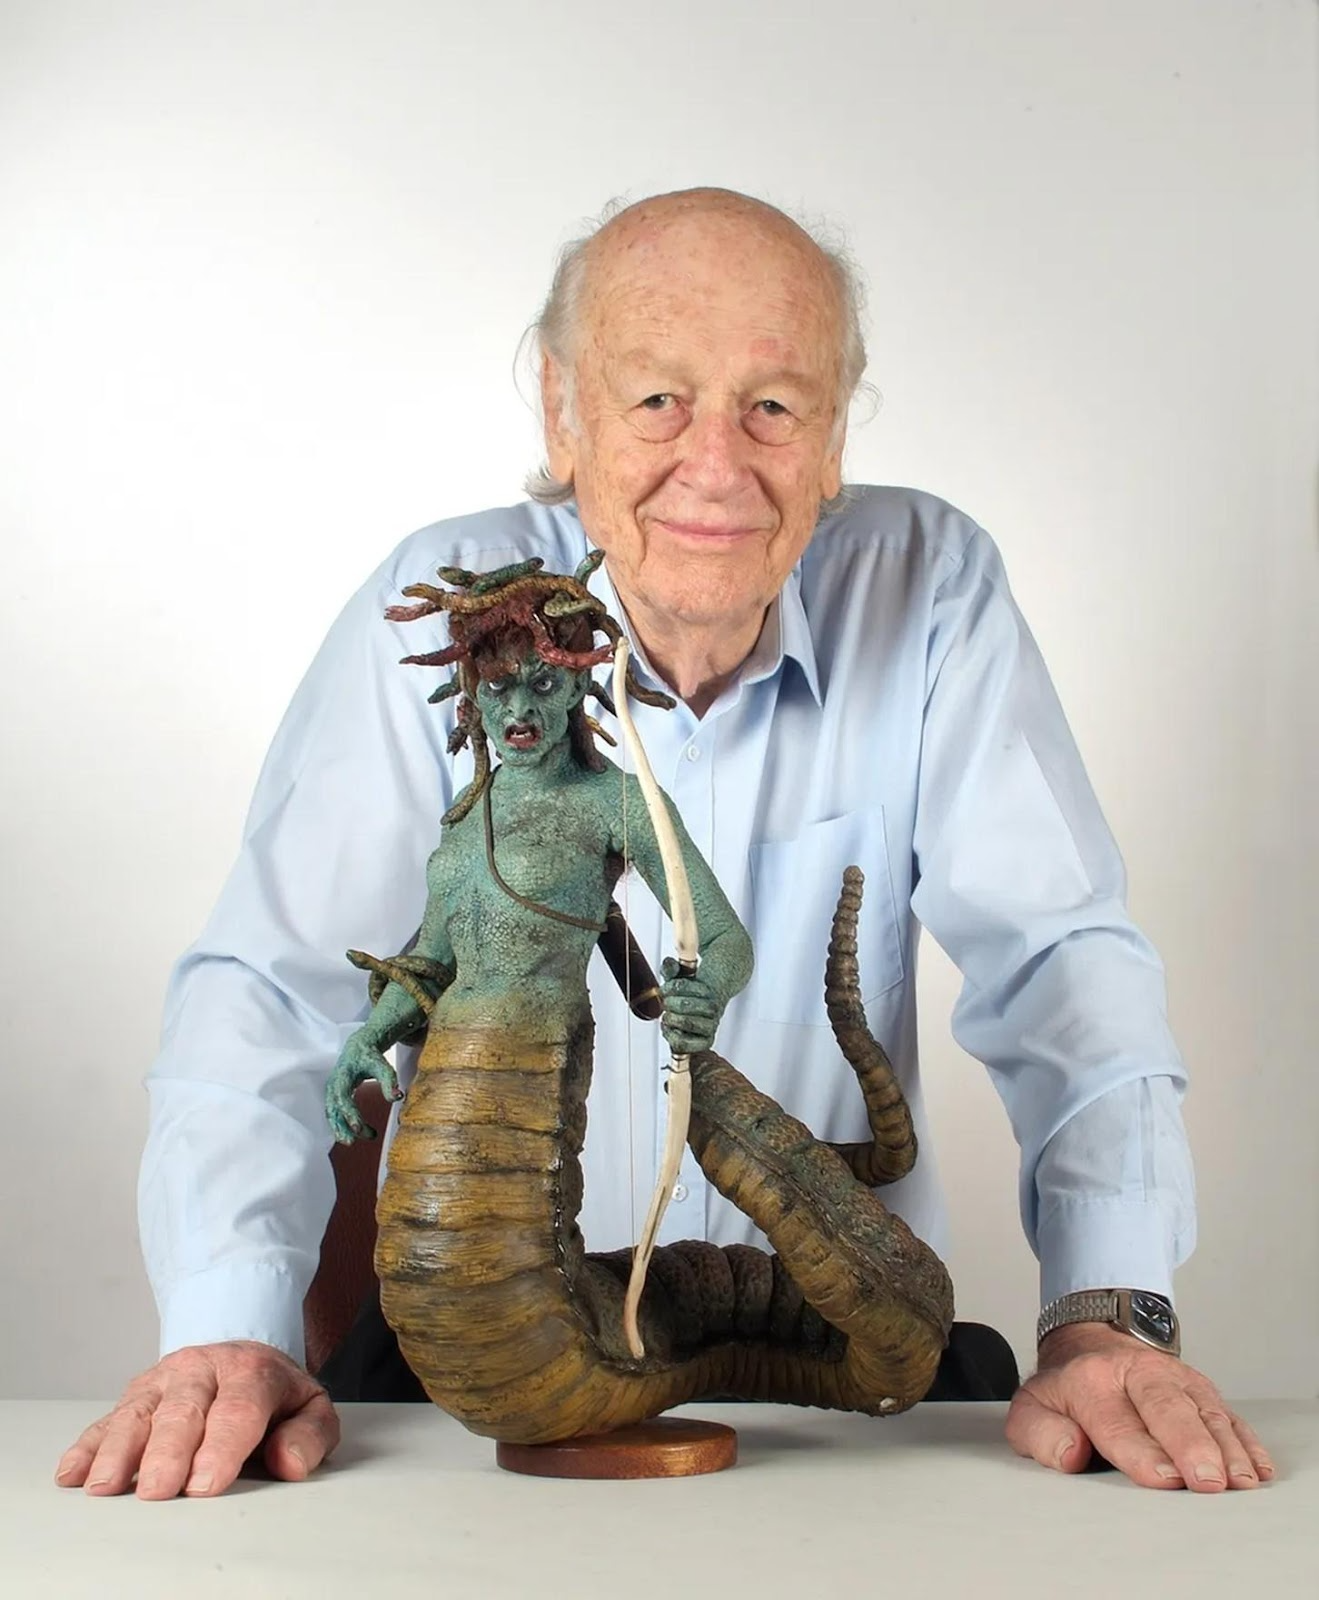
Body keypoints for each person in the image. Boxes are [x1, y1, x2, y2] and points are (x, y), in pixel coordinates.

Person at [57, 187, 1272, 1498]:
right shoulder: (454, 617)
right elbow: (277, 986)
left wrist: (1109, 1313)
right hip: (482, 1377)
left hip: (832, 1372)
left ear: (833, 435)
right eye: (656, 400)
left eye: (774, 406)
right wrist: (226, 1328)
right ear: (561, 411)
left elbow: (1061, 961)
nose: (716, 464)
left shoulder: (928, 585)